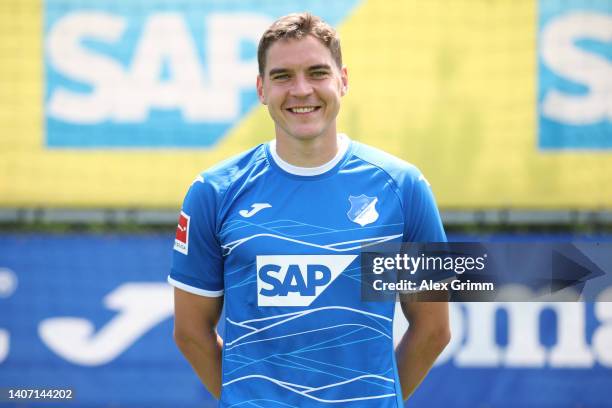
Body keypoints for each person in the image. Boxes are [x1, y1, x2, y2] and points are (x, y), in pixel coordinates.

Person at [169, 12, 450, 407]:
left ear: (343, 80)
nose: (301, 90)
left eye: (317, 72)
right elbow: (189, 331)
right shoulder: (212, 191)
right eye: (282, 76)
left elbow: (434, 330)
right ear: (261, 88)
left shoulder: (406, 187)